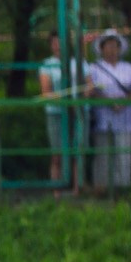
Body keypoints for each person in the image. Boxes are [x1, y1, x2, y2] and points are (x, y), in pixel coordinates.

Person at [86, 29, 131, 193]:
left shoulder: (129, 68)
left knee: (124, 155)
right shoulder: (94, 68)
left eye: (114, 46)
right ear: (101, 48)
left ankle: (122, 189)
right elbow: (91, 90)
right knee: (103, 154)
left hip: (126, 118)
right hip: (103, 118)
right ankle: (101, 189)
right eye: (107, 46)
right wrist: (109, 102)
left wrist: (124, 102)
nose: (111, 49)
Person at [38, 31, 77, 187]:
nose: (57, 46)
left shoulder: (77, 62)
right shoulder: (47, 65)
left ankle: (76, 189)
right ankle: (57, 190)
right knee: (57, 155)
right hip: (55, 114)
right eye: (54, 43)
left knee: (76, 153)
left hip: (76, 113)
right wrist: (65, 99)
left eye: (60, 42)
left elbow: (88, 86)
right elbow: (46, 92)